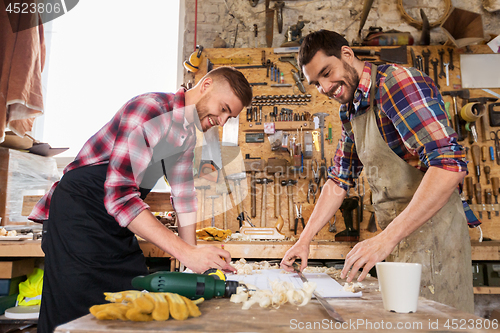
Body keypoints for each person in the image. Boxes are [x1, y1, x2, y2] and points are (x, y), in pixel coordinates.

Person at [29, 66, 253, 332]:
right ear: (205, 85)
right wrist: (187, 253)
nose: (223, 121)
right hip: (79, 214)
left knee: (130, 304)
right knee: (75, 318)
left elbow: (183, 196)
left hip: (115, 223)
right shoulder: (150, 109)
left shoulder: (187, 134)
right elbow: (120, 196)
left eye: (231, 116)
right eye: (224, 108)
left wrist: (193, 264)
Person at [280, 30, 477, 313]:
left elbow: (449, 166)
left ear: (347, 54)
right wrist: (304, 240)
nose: (324, 87)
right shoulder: (350, 109)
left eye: (327, 72)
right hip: (395, 240)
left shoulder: (397, 83)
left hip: (435, 237)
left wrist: (385, 238)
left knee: (435, 324)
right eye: (316, 83)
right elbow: (339, 179)